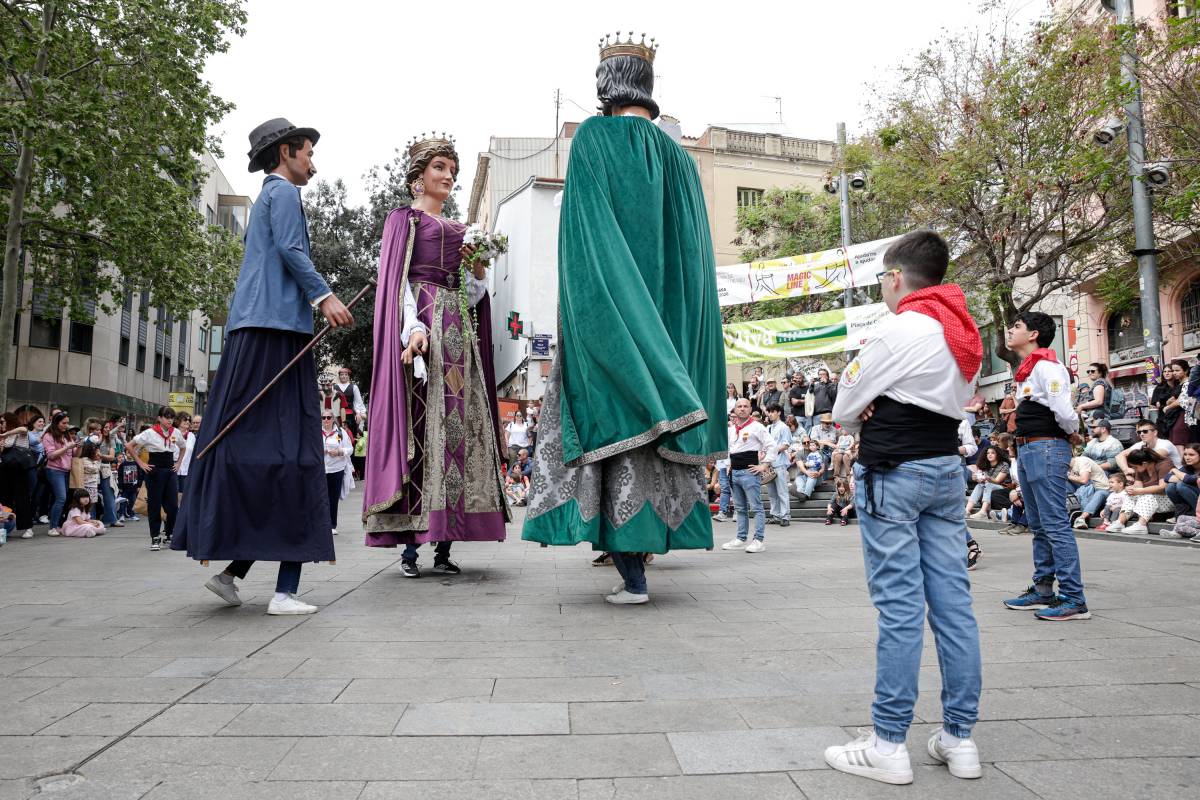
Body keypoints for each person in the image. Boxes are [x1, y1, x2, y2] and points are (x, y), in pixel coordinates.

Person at [521, 36, 725, 603]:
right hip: (668, 331)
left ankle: (632, 576)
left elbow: (586, 242)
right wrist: (679, 344)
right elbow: (695, 263)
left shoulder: (592, 140)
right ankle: (640, 563)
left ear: (605, 88)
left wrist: (585, 321)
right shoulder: (678, 159)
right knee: (653, 446)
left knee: (615, 436)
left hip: (611, 319)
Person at [174, 118, 353, 615]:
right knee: (295, 453)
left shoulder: (268, 198)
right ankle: (283, 591)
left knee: (268, 451)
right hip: (277, 332)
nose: (313, 163)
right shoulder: (285, 195)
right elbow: (291, 250)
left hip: (252, 332)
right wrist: (325, 295)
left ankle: (234, 571)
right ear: (286, 153)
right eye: (308, 153)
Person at [823, 230, 983, 785]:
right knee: (954, 607)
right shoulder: (964, 331)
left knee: (899, 607)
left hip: (895, 472)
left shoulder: (899, 330)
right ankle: (960, 739)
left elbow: (846, 405)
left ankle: (889, 743)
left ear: (896, 277)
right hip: (943, 469)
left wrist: (867, 409)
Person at [363, 132, 507, 579]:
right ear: (419, 175)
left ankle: (444, 544)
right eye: (440, 167)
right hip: (424, 328)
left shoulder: (466, 231)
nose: (448, 176)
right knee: (423, 432)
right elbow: (399, 283)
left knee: (457, 437)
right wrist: (413, 329)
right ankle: (410, 548)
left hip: (458, 334)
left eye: (452, 170)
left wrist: (478, 264)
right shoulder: (404, 221)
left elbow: (475, 292)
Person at [1001, 312, 1090, 621]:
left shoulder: (1048, 367)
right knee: (1038, 524)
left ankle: (1073, 599)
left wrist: (1070, 431)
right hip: (1029, 449)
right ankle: (1043, 591)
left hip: (1047, 448)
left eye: (1017, 326)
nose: (1010, 330)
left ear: (1034, 334)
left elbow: (1064, 411)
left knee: (1054, 525)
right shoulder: (1028, 370)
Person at [126, 406, 182, 551]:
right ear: (159, 418)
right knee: (154, 505)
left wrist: (178, 463)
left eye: (171, 417)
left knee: (173, 506)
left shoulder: (175, 432)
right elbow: (130, 446)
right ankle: (155, 537)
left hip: (170, 470)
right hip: (154, 470)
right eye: (166, 417)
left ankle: (169, 534)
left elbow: (183, 447)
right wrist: (141, 463)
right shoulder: (150, 433)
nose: (169, 420)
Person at [722, 398, 773, 553]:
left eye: (745, 406)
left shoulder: (757, 426)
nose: (742, 409)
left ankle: (758, 540)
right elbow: (729, 449)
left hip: (749, 472)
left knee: (756, 507)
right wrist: (727, 466)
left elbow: (772, 445)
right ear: (735, 410)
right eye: (739, 406)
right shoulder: (731, 429)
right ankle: (741, 538)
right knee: (739, 508)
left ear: (750, 409)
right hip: (734, 472)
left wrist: (764, 465)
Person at [1106, 447, 1174, 534]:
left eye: (1135, 467)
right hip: (1153, 500)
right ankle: (1120, 522)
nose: (1134, 469)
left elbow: (1162, 487)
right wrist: (1130, 489)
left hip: (1167, 498)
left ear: (1144, 463)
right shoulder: (1141, 468)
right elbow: (1138, 486)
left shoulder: (1164, 465)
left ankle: (1141, 525)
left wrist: (1139, 491)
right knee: (1130, 494)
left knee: (1147, 494)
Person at [41, 411, 81, 537]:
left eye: (67, 423)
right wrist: (67, 447)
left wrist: (79, 446)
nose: (66, 425)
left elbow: (76, 455)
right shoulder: (49, 436)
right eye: (64, 423)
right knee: (61, 498)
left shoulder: (67, 436)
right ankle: (52, 526)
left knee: (61, 499)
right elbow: (51, 455)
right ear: (56, 422)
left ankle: (57, 525)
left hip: (66, 470)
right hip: (54, 470)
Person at [0, 412, 34, 540]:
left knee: (21, 499)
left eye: (3, 422)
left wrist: (6, 434)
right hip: (4, 471)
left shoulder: (19, 434)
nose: (1, 424)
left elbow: (24, 429)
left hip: (19, 472)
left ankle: (27, 527)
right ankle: (6, 527)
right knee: (4, 500)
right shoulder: (2, 437)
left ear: (10, 421)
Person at [321, 411, 353, 536]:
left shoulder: (341, 433)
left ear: (333, 419)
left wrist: (339, 452)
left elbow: (350, 449)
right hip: (321, 470)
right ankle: (321, 524)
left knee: (333, 499)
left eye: (329, 417)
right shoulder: (316, 432)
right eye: (323, 417)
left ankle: (332, 525)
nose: (326, 420)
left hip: (336, 470)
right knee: (321, 498)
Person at [1068, 448, 1112, 529]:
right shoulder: (1065, 467)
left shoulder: (1082, 461)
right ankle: (1069, 510)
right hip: (1086, 491)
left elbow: (1084, 480)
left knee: (1099, 493)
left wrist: (1067, 476)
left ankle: (1081, 518)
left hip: (1103, 491)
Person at [764, 404, 792, 527]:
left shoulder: (784, 427)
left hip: (779, 462)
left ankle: (785, 516)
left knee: (782, 491)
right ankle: (775, 515)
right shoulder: (768, 427)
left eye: (772, 412)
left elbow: (785, 445)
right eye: (768, 412)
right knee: (772, 492)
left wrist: (772, 451)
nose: (770, 414)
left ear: (779, 412)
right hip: (769, 463)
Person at [965, 445, 1010, 520]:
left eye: (993, 453)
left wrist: (987, 478)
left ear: (997, 454)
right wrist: (976, 478)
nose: (989, 454)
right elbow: (982, 480)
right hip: (988, 487)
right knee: (979, 485)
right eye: (988, 453)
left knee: (988, 485)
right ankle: (967, 510)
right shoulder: (985, 464)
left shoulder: (1004, 464)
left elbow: (998, 481)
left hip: (1003, 487)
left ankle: (983, 512)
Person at [1117, 419, 1183, 470]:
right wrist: (1126, 470)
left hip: (1176, 473)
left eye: (1145, 431)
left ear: (1155, 433)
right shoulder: (1141, 444)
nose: (1142, 434)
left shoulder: (1165, 443)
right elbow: (1119, 456)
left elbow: (1153, 457)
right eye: (1139, 432)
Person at [1164, 443, 1200, 517]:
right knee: (1170, 487)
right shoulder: (1188, 467)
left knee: (1181, 485)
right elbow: (1167, 478)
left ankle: (1195, 512)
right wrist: (1183, 478)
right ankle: (1183, 512)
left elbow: (1190, 480)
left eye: (1191, 455)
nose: (1187, 457)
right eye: (1185, 454)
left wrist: (1174, 470)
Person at [333, 367, 366, 437]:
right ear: (339, 376)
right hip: (337, 414)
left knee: (350, 434)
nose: (343, 376)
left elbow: (358, 401)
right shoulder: (334, 387)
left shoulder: (354, 387)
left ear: (348, 376)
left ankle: (352, 446)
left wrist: (358, 413)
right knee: (338, 435)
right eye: (342, 374)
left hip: (350, 415)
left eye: (345, 374)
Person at [174, 412, 197, 497]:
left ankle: (181, 511)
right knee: (173, 495)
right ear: (178, 421)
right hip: (173, 469)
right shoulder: (173, 433)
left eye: (189, 420)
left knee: (184, 496)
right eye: (185, 419)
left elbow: (194, 453)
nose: (187, 421)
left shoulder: (192, 436)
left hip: (186, 471)